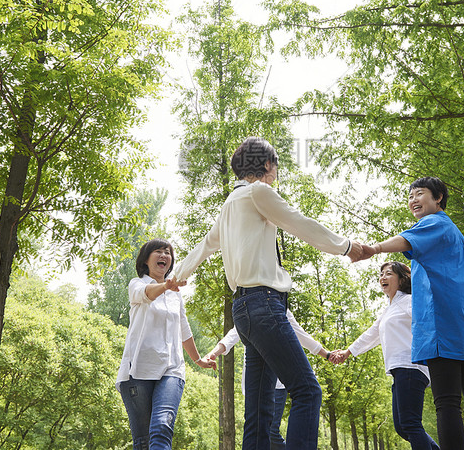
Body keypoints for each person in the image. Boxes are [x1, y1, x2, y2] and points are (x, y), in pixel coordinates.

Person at [172, 136, 364, 450]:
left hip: (244, 310)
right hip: (263, 305)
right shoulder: (258, 192)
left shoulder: (229, 206)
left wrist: (177, 276)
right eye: (276, 166)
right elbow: (299, 223)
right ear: (266, 165)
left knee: (259, 414)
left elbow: (205, 245)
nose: (276, 172)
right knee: (307, 391)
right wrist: (346, 247)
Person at [357, 177, 464, 450]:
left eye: (419, 194)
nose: (413, 200)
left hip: (442, 327)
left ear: (439, 197)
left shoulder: (434, 224)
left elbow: (407, 240)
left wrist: (373, 249)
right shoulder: (450, 231)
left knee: (447, 403)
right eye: (410, 196)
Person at [116, 239, 216, 450]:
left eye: (167, 253)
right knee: (143, 442)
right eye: (158, 252)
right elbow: (147, 295)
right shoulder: (138, 283)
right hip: (138, 370)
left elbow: (184, 328)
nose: (164, 256)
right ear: (146, 259)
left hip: (171, 368)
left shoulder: (175, 294)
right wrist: (165, 286)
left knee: (162, 427)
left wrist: (198, 360)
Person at [329, 261, 439, 450]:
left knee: (410, 423)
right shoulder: (390, 309)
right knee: (402, 427)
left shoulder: (408, 301)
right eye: (381, 274)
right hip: (400, 370)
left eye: (389, 274)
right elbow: (372, 334)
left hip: (411, 366)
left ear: (402, 279)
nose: (383, 277)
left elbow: (430, 321)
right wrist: (347, 352)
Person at [202, 308, 331, 450]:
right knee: (257, 428)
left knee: (271, 431)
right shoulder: (248, 308)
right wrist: (213, 353)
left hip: (277, 384)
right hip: (255, 383)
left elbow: (301, 335)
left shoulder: (280, 307)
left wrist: (327, 354)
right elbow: (233, 334)